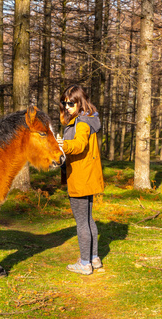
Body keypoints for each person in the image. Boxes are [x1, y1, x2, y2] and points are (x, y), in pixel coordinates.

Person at [56, 84, 104, 275]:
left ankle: (85, 263)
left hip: (80, 178)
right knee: (88, 219)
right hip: (87, 176)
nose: (66, 106)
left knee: (82, 222)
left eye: (70, 103)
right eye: (64, 102)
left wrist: (63, 144)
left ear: (80, 102)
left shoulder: (82, 123)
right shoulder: (86, 118)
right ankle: (94, 258)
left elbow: (79, 145)